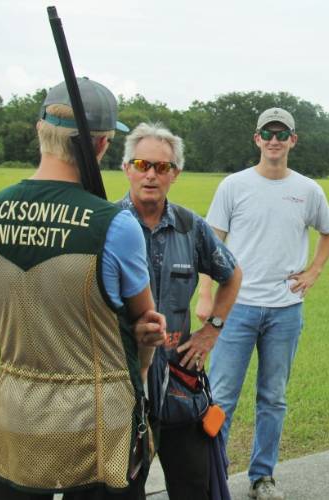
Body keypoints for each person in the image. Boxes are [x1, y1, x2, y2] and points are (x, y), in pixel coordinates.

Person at [0, 78, 166, 499]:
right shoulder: (116, 225)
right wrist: (145, 361)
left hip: (15, 418)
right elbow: (145, 324)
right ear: (100, 146)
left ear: (40, 131)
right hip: (99, 428)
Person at [198, 107, 329, 500]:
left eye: (282, 133)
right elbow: (210, 246)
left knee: (273, 398)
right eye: (267, 133)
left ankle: (262, 477)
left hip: (285, 312)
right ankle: (215, 474)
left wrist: (314, 272)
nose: (274, 140)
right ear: (256, 139)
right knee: (222, 395)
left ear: (293, 140)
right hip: (235, 309)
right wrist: (206, 296)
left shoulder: (309, 190)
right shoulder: (233, 186)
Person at [117, 122, 242, 499]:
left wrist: (211, 330)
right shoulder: (108, 226)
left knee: (194, 488)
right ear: (127, 169)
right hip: (122, 384)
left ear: (176, 174)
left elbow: (232, 274)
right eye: (142, 164)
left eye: (162, 167)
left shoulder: (192, 227)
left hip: (178, 381)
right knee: (120, 488)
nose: (151, 174)